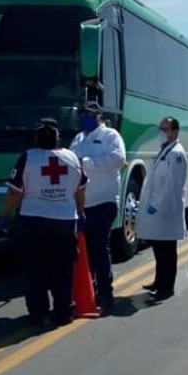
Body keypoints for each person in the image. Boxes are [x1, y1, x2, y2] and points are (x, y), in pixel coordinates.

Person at [0, 118, 86, 327]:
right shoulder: (72, 157)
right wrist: (81, 213)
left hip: (33, 221)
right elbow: (81, 190)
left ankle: (38, 313)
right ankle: (64, 311)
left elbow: (14, 192)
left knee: (35, 269)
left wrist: (4, 215)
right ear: (57, 136)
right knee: (62, 268)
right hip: (64, 221)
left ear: (36, 138)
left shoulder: (28, 157)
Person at [70, 102, 127, 313]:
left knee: (100, 249)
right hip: (80, 204)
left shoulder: (110, 135)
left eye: (90, 114)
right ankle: (87, 292)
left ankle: (105, 294)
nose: (85, 117)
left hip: (103, 202)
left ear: (99, 116)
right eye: (83, 113)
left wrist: (86, 162)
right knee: (83, 252)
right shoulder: (78, 138)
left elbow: (118, 158)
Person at [136, 117, 188, 302]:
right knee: (158, 248)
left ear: (175, 132)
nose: (161, 132)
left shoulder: (177, 154)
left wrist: (156, 205)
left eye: (165, 129)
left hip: (166, 210)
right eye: (160, 128)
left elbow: (172, 185)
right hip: (158, 210)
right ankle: (159, 281)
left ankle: (167, 288)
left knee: (167, 251)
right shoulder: (165, 150)